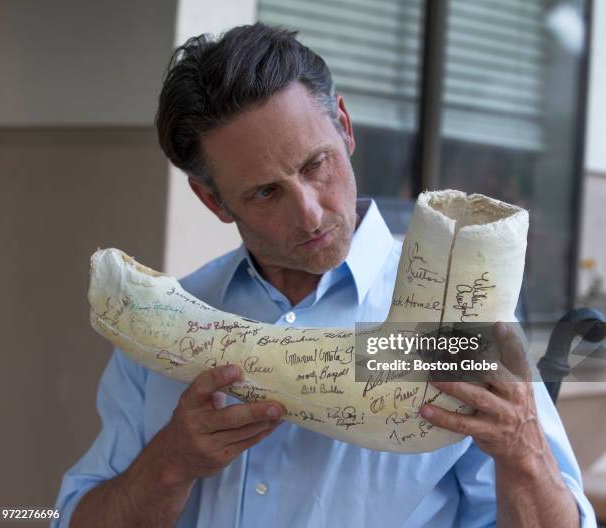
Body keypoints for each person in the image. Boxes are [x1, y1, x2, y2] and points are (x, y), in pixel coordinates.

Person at [54, 23, 596, 527]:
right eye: (266, 192)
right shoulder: (163, 328)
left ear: (345, 124)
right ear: (212, 199)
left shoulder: (456, 328)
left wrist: (524, 452)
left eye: (316, 165)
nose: (311, 213)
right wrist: (169, 464)